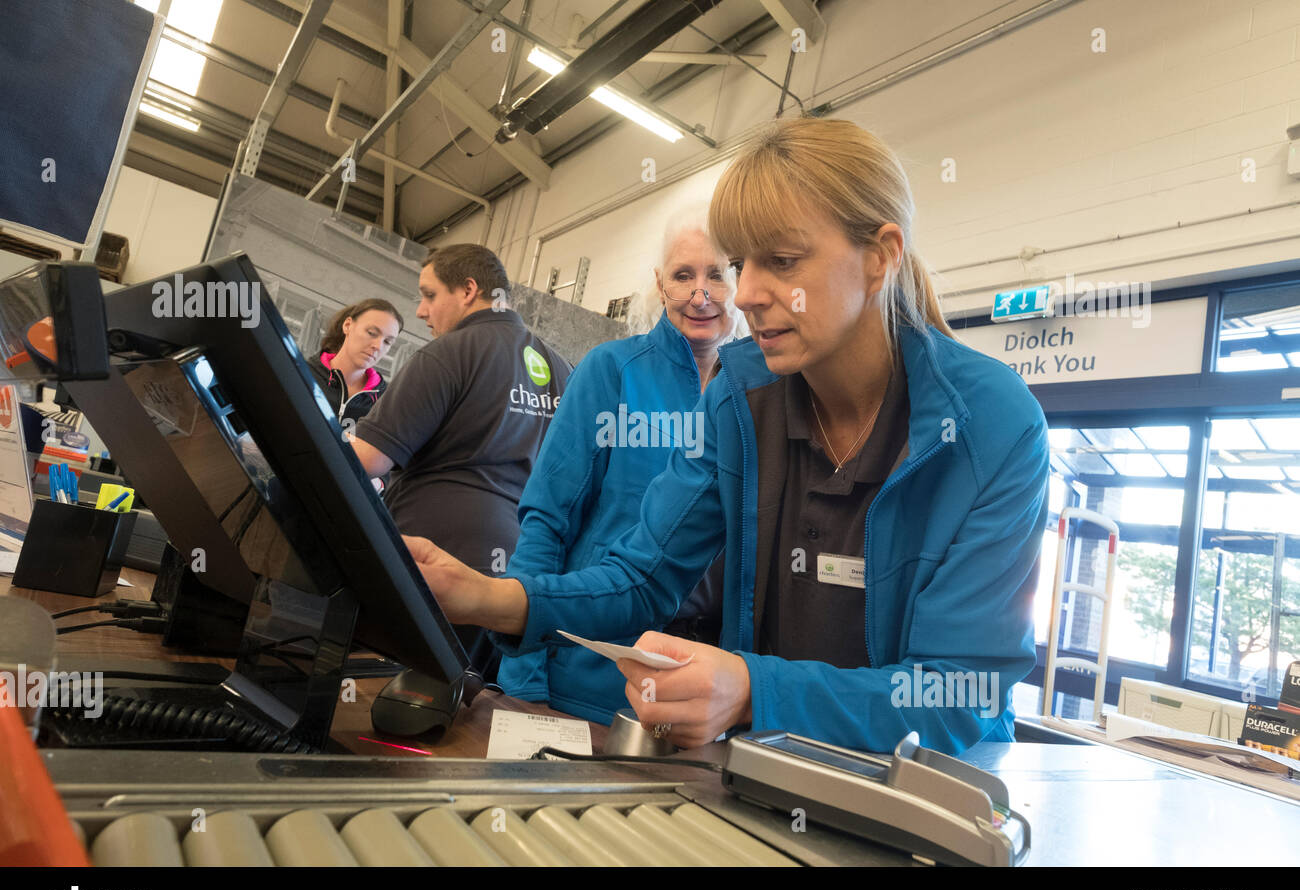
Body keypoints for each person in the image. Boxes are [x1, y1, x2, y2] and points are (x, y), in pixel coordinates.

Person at [400, 118, 1049, 756]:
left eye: (783, 261)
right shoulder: (743, 393)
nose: (747, 294)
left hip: (927, 800)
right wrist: (486, 595)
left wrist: (751, 689)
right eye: (744, 263)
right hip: (770, 773)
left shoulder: (992, 424)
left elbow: (958, 694)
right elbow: (640, 578)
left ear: (879, 257)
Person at [497, 211, 744, 723]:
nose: (701, 294)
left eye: (717, 274)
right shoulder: (611, 371)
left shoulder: (755, 396)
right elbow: (547, 520)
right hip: (589, 682)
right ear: (660, 283)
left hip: (705, 699)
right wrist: (525, 682)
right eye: (683, 275)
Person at [349, 244, 571, 679]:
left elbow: (366, 461)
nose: (420, 311)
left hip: (432, 571)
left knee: (385, 703)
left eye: (429, 295)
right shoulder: (562, 369)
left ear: (469, 290)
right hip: (509, 584)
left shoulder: (449, 353)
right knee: (463, 710)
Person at [308, 298, 402, 428]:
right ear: (347, 325)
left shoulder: (386, 403)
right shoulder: (303, 374)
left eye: (387, 342)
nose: (378, 346)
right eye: (372, 333)